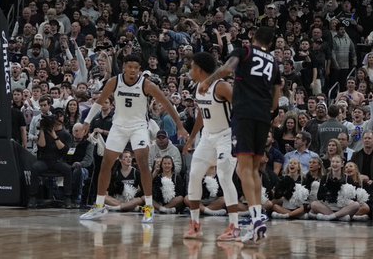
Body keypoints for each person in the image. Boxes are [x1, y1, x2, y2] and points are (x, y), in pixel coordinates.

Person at [78, 53, 187, 224]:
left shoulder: (147, 84)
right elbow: (99, 102)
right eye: (130, 67)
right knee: (106, 164)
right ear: (124, 67)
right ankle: (99, 206)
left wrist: (180, 126)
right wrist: (87, 121)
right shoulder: (114, 81)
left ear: (140, 69)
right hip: (118, 127)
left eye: (136, 68)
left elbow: (166, 103)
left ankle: (149, 207)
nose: (133, 70)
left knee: (143, 164)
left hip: (139, 127)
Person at [200, 22, 282, 244]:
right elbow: (276, 100)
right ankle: (258, 219)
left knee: (243, 168)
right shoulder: (274, 62)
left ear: (253, 37)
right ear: (271, 43)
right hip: (263, 116)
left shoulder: (244, 51)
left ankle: (256, 221)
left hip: (245, 114)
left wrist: (208, 81)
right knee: (253, 169)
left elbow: (227, 69)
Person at [182, 51, 239, 241]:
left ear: (199, 69)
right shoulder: (199, 87)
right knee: (194, 175)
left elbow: (240, 107)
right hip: (207, 137)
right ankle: (195, 225)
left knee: (224, 176)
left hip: (227, 136)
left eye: (191, 67)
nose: (190, 70)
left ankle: (234, 226)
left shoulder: (221, 86)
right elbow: (202, 113)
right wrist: (191, 138)